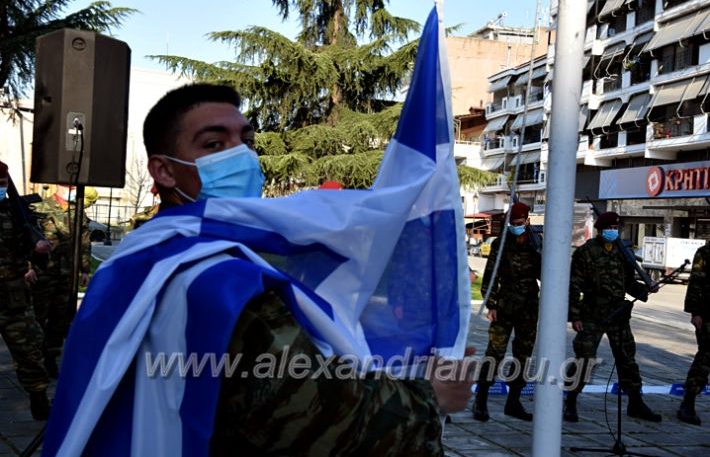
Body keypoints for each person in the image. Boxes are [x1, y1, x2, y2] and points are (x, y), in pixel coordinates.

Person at [45, 84, 475, 455]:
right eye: (214, 145)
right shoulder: (220, 285)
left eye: (245, 141)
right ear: (163, 170)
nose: (241, 156)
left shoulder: (136, 257)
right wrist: (431, 397)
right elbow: (321, 421)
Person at [564, 211, 661, 423]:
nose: (613, 232)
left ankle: (636, 402)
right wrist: (574, 315)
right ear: (600, 230)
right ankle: (569, 400)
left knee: (627, 359)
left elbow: (629, 283)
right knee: (585, 358)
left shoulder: (622, 252)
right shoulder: (585, 252)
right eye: (609, 228)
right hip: (592, 313)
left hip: (618, 313)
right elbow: (573, 286)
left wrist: (646, 289)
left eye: (616, 228)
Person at [473, 202, 541, 422]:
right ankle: (480, 400)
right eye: (512, 223)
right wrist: (491, 304)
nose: (515, 226)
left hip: (529, 308)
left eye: (519, 223)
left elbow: (548, 274)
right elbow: (490, 276)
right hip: (504, 307)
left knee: (523, 355)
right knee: (494, 353)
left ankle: (514, 401)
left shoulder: (536, 243)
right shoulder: (501, 244)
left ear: (528, 220)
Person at [0, 161, 52, 420]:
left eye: (3, 185)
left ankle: (39, 399)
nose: (1, 189)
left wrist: (39, 249)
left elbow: (37, 253)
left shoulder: (17, 213)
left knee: (30, 349)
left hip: (13, 296)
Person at [30, 188, 92, 378]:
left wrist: (85, 269)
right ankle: (33, 359)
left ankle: (50, 358)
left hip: (67, 274)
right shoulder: (39, 208)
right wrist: (28, 266)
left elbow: (84, 242)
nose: (72, 189)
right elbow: (26, 239)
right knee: (38, 316)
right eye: (68, 187)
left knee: (60, 319)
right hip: (43, 272)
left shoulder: (78, 210)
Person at [677, 242, 710, 425]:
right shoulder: (705, 252)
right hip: (707, 314)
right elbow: (696, 281)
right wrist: (695, 311)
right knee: (705, 357)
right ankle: (688, 402)